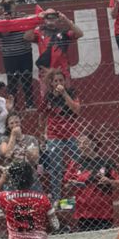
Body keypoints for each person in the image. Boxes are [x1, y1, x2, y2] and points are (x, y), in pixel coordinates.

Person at [40, 68, 80, 202]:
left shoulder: (71, 92)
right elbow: (42, 114)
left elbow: (76, 109)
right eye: (56, 81)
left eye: (61, 80)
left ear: (65, 81)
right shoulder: (48, 96)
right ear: (51, 83)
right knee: (56, 167)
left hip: (71, 133)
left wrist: (64, 94)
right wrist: (42, 132)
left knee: (78, 163)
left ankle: (78, 196)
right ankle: (57, 198)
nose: (58, 83)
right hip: (54, 134)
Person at [63, 133, 116, 230]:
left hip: (103, 209)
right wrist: (71, 183)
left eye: (85, 143)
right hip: (83, 210)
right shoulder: (75, 163)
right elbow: (66, 183)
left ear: (93, 144)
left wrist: (109, 181)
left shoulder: (106, 161)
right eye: (79, 143)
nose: (82, 145)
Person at [0, 0, 36, 110]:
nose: (8, 6)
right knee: (12, 81)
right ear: (1, 6)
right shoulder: (0, 20)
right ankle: (13, 105)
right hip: (9, 55)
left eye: (10, 3)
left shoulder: (23, 16)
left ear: (14, 4)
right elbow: (3, 35)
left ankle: (30, 103)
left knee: (27, 79)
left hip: (25, 52)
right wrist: (7, 22)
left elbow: (29, 35)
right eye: (5, 4)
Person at [34, 7, 83, 78]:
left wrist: (66, 20)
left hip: (62, 72)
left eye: (53, 16)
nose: (50, 18)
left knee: (64, 85)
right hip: (45, 72)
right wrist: (37, 19)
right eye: (47, 16)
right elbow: (27, 37)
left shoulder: (63, 32)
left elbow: (79, 34)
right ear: (44, 18)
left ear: (57, 18)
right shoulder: (39, 31)